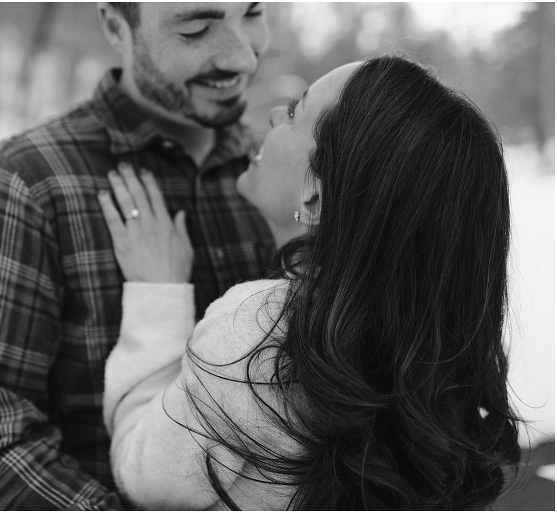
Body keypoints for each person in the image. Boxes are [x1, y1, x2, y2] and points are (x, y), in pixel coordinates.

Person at [98, 55, 523, 510]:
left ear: (314, 194)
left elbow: (146, 479)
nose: (272, 115)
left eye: (294, 112)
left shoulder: (258, 331)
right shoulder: (422, 347)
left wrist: (157, 295)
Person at [0, 2, 275, 510]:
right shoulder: (31, 180)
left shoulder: (286, 171)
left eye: (252, 12)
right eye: (196, 28)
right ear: (117, 27)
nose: (242, 58)